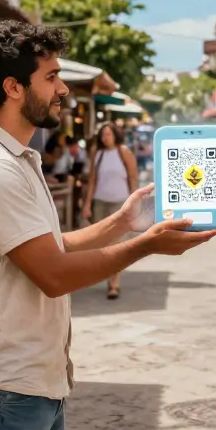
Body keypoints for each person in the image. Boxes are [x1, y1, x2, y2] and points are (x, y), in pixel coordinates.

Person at [0, 21, 216, 430]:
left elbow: (51, 248)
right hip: (5, 388)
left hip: (30, 382)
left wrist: (122, 222)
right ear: (14, 87)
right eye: (50, 77)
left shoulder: (15, 160)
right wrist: (145, 245)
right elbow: (53, 273)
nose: (63, 90)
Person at [82, 122, 139, 300]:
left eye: (108, 134)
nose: (105, 137)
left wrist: (134, 201)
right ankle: (108, 275)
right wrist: (87, 204)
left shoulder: (123, 152)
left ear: (115, 135)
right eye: (103, 134)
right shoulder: (96, 153)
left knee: (116, 242)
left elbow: (133, 176)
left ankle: (114, 283)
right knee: (102, 242)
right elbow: (92, 179)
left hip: (119, 203)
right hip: (100, 201)